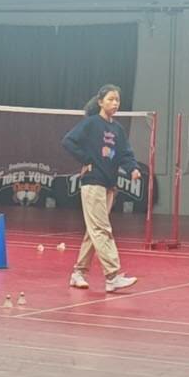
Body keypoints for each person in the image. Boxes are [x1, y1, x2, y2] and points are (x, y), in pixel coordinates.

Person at [62, 85, 139, 293]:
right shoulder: (91, 123)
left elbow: (125, 153)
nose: (115, 103)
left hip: (109, 184)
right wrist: (86, 159)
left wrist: (133, 169)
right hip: (93, 182)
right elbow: (68, 141)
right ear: (100, 102)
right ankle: (112, 276)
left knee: (93, 230)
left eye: (117, 100)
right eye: (111, 99)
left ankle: (78, 273)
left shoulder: (118, 129)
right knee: (102, 229)